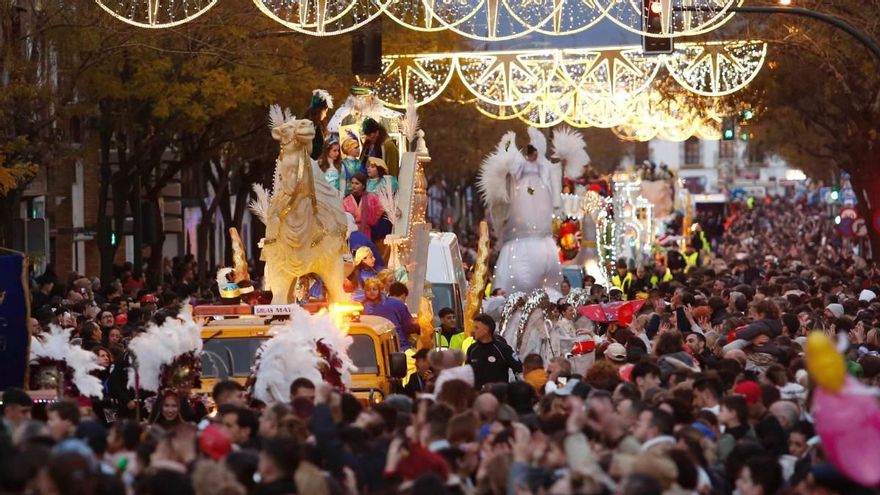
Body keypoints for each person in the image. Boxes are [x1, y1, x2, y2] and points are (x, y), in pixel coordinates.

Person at [466, 313, 523, 390]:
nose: (473, 331)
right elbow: (468, 373)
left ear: (486, 330)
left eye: (476, 328)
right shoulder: (472, 349)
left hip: (499, 396)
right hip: (478, 396)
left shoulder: (503, 349)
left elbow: (519, 370)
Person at [343, 173, 384, 240]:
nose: (353, 186)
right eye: (352, 183)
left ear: (363, 186)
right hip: (351, 234)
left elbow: (381, 208)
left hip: (367, 232)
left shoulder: (371, 198)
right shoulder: (346, 201)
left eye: (357, 183)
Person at [307, 89, 332, 160]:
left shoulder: (318, 124)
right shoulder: (310, 125)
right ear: (320, 110)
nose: (325, 115)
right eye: (325, 112)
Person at [339, 131, 365, 195]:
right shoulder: (343, 164)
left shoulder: (360, 163)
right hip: (347, 194)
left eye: (358, 147)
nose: (359, 149)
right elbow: (342, 182)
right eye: (356, 148)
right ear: (349, 149)